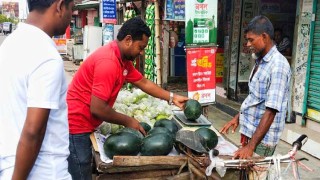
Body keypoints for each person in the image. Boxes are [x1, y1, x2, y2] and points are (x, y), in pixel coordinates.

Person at [67, 17, 188, 180]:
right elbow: (97, 108)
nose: (142, 52)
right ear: (128, 40)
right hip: (77, 125)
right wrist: (128, 121)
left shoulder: (122, 60)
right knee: (81, 172)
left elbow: (143, 82)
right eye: (141, 47)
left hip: (87, 123)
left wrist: (172, 97)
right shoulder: (108, 62)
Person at [0, 0, 74, 179]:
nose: (71, 17)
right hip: (44, 172)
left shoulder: (9, 44)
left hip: (10, 167)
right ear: (60, 6)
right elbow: (34, 130)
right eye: (72, 9)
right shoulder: (47, 56)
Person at [220, 15, 291, 159]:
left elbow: (271, 111)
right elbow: (255, 98)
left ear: (264, 37)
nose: (247, 44)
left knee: (256, 174)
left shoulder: (278, 66)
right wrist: (237, 118)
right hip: (250, 132)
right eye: (247, 40)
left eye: (251, 39)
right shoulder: (260, 61)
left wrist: (251, 147)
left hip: (262, 141)